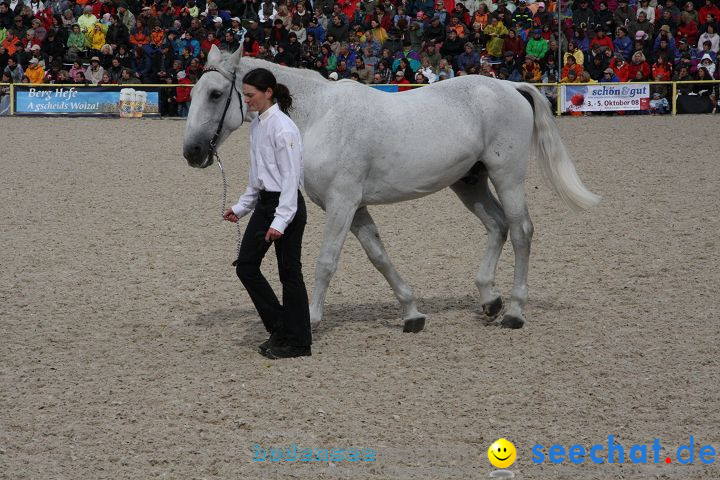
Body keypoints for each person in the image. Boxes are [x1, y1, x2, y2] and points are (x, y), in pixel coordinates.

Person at [223, 68, 312, 360]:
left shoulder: (283, 128)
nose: (246, 100)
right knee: (246, 266)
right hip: (264, 204)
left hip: (286, 207)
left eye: (251, 95)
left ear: (268, 93)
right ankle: (280, 327)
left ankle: (299, 343)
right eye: (245, 95)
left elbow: (291, 178)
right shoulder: (258, 125)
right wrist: (241, 207)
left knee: (290, 274)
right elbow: (257, 174)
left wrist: (281, 221)